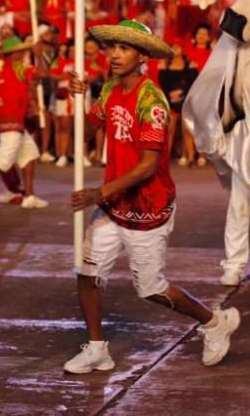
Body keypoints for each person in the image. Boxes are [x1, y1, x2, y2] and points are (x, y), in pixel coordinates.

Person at [64, 19, 240, 374]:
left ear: (142, 55)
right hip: (114, 205)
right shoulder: (111, 88)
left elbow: (148, 166)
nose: (114, 55)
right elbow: (96, 122)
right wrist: (80, 97)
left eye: (124, 48)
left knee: (150, 289)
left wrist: (100, 191)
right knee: (86, 271)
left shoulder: (152, 101)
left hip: (148, 206)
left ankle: (213, 322)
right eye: (112, 47)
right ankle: (98, 348)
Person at [0, 36, 48, 209]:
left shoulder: (2, 70)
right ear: (13, 54)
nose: (23, 53)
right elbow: (42, 74)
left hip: (6, 120)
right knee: (3, 162)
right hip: (13, 122)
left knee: (30, 154)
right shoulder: (18, 67)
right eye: (20, 51)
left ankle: (29, 196)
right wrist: (39, 55)